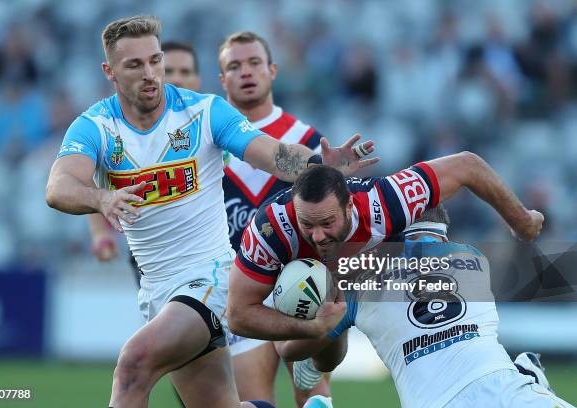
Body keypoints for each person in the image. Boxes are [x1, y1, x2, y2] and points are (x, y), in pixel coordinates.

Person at [45, 15, 377, 408]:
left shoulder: (204, 112)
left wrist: (320, 163)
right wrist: (100, 198)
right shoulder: (96, 126)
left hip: (212, 278)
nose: (150, 74)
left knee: (133, 366)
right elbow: (58, 187)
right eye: (135, 65)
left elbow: (273, 154)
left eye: (155, 61)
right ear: (110, 71)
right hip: (159, 291)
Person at [274, 206, 574, 408]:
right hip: (506, 387)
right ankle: (528, 376)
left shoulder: (361, 282)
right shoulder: (473, 258)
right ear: (444, 232)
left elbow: (291, 350)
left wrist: (325, 311)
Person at [227, 154, 543, 341]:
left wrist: (522, 222)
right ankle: (316, 364)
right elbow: (238, 315)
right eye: (306, 225)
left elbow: (467, 165)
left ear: (350, 206)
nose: (319, 235)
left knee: (428, 247)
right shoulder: (269, 231)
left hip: (377, 265)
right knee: (306, 351)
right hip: (321, 290)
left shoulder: (385, 200)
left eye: (327, 222)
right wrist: (309, 328)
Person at [218, 31, 329, 406]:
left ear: (273, 70)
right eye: (234, 66)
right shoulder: (209, 148)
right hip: (241, 292)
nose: (245, 72)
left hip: (300, 283)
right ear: (222, 80)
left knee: (314, 397)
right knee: (253, 401)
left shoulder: (307, 141)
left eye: (254, 63)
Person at [87, 39, 202, 288]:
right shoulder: (126, 131)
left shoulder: (209, 124)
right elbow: (96, 179)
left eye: (186, 72)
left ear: (198, 80)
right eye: (169, 71)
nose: (177, 79)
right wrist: (100, 234)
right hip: (155, 257)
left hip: (211, 253)